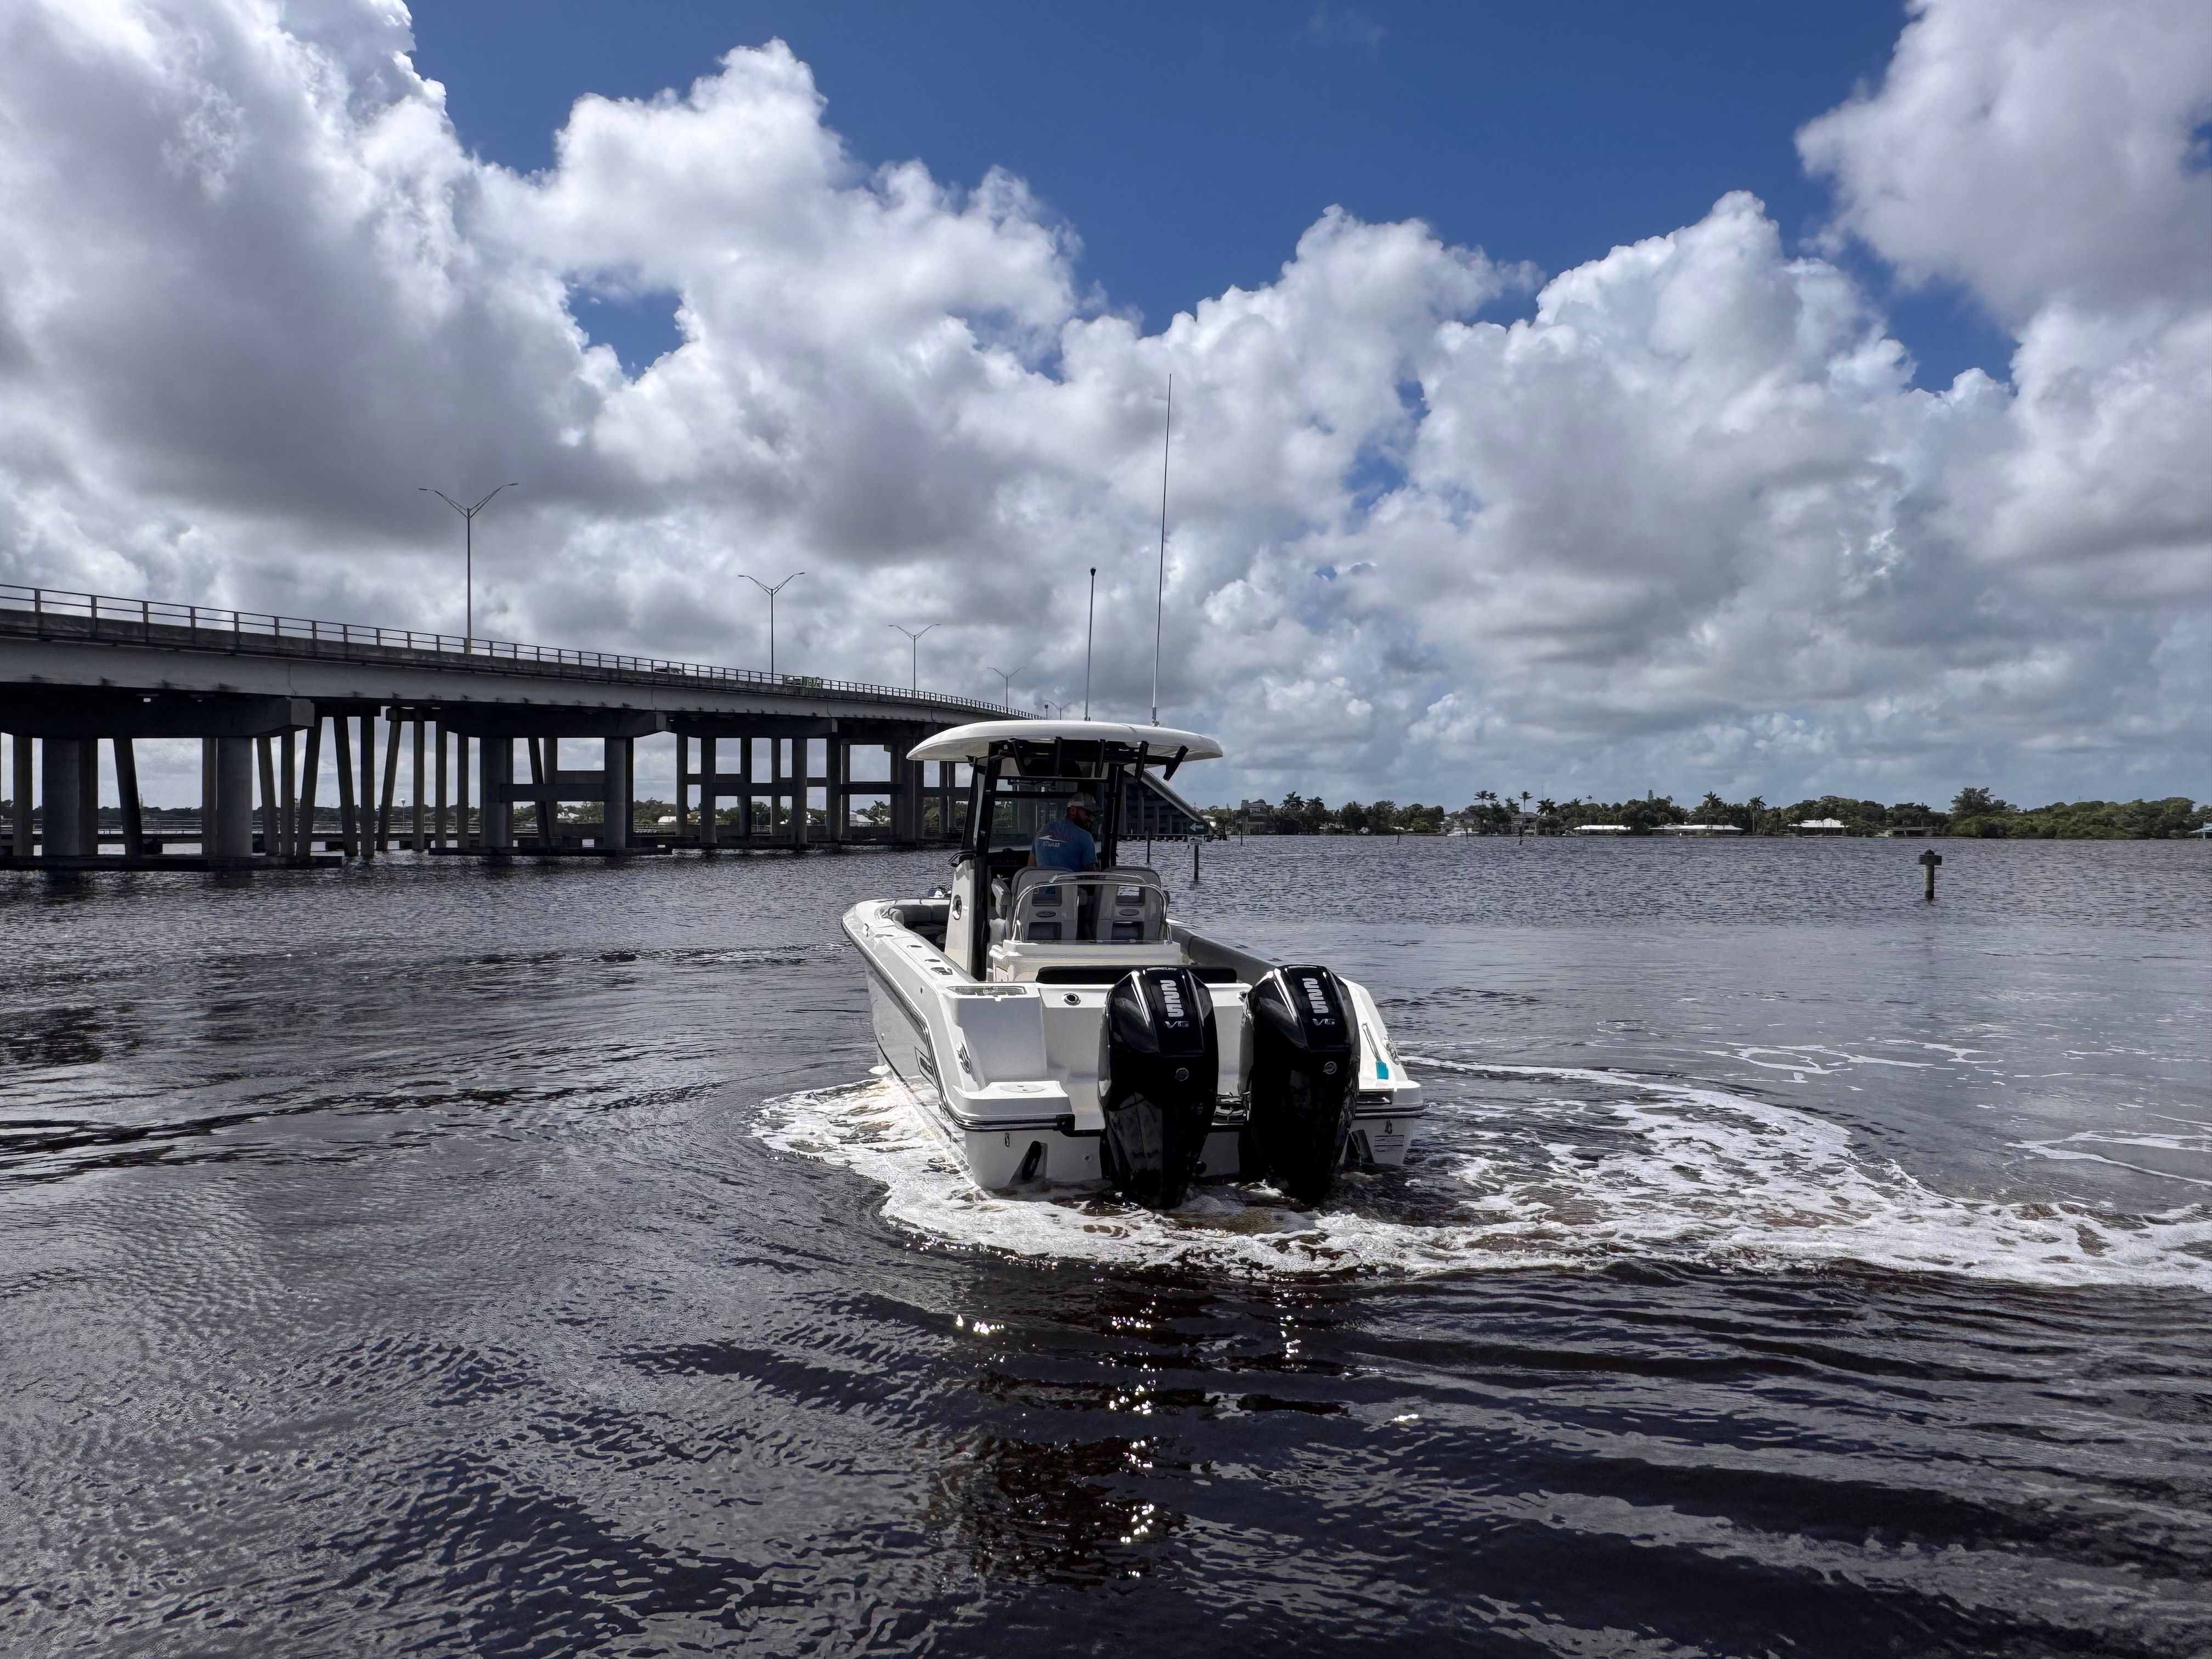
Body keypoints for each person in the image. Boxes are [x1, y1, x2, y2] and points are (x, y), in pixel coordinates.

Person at [1029, 793, 1101, 870]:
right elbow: (1090, 875)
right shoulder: (1085, 837)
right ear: (1073, 810)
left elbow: (1031, 867)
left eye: (1094, 815)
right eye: (1088, 814)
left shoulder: (1042, 832)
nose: (1091, 819)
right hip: (1069, 882)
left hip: (1041, 882)